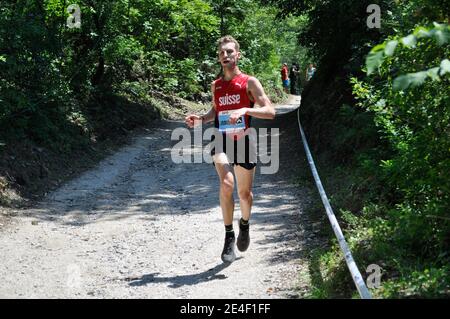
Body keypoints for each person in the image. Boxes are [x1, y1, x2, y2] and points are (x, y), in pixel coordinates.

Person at [185, 36, 275, 263]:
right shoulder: (216, 85)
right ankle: (228, 236)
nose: (226, 56)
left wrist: (246, 110)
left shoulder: (249, 82)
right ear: (219, 58)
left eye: (229, 52)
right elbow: (215, 111)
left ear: (238, 54)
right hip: (221, 138)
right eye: (222, 53)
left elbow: (270, 111)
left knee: (245, 194)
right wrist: (201, 119)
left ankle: (244, 224)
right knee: (227, 183)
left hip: (244, 140)